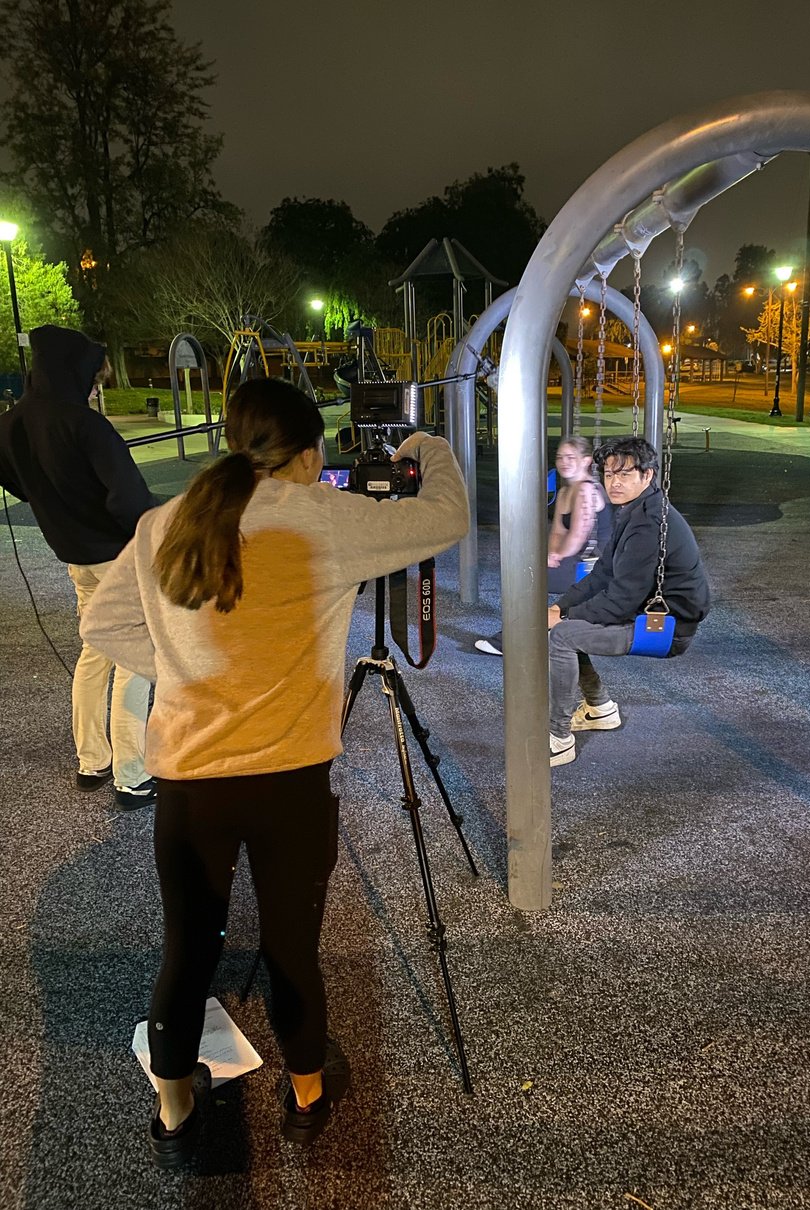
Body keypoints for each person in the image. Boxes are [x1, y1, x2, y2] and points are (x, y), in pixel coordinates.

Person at [79, 377, 469, 1168]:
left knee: (187, 951)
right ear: (309, 452)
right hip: (291, 778)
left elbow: (103, 622)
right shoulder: (329, 516)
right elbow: (446, 517)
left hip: (189, 781)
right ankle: (306, 1098)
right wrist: (423, 444)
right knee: (294, 949)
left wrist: (182, 673)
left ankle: (175, 1110)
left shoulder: (167, 521)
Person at [0, 324, 157, 806]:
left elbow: (18, 483)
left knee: (94, 653)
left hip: (74, 556)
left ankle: (93, 761)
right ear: (75, 371)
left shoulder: (11, 423)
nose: (94, 390)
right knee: (134, 660)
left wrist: (57, 508)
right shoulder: (85, 425)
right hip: (118, 558)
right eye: (93, 380)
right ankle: (132, 774)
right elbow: (128, 497)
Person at [547, 435, 710, 768]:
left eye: (624, 474)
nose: (614, 483)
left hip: (665, 628)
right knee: (565, 624)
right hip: (642, 613)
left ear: (647, 475)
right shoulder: (633, 510)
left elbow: (619, 601)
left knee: (562, 636)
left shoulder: (648, 523)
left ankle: (559, 739)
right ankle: (600, 709)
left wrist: (563, 619)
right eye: (609, 474)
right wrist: (560, 607)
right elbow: (602, 574)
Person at [474, 435, 611, 655]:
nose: (564, 462)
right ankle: (527, 634)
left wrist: (557, 557)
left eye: (571, 457)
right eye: (560, 457)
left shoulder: (586, 490)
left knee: (529, 578)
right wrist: (550, 553)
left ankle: (512, 640)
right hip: (573, 558)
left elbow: (578, 535)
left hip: (591, 564)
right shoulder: (565, 492)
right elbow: (557, 531)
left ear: (586, 461)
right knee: (528, 572)